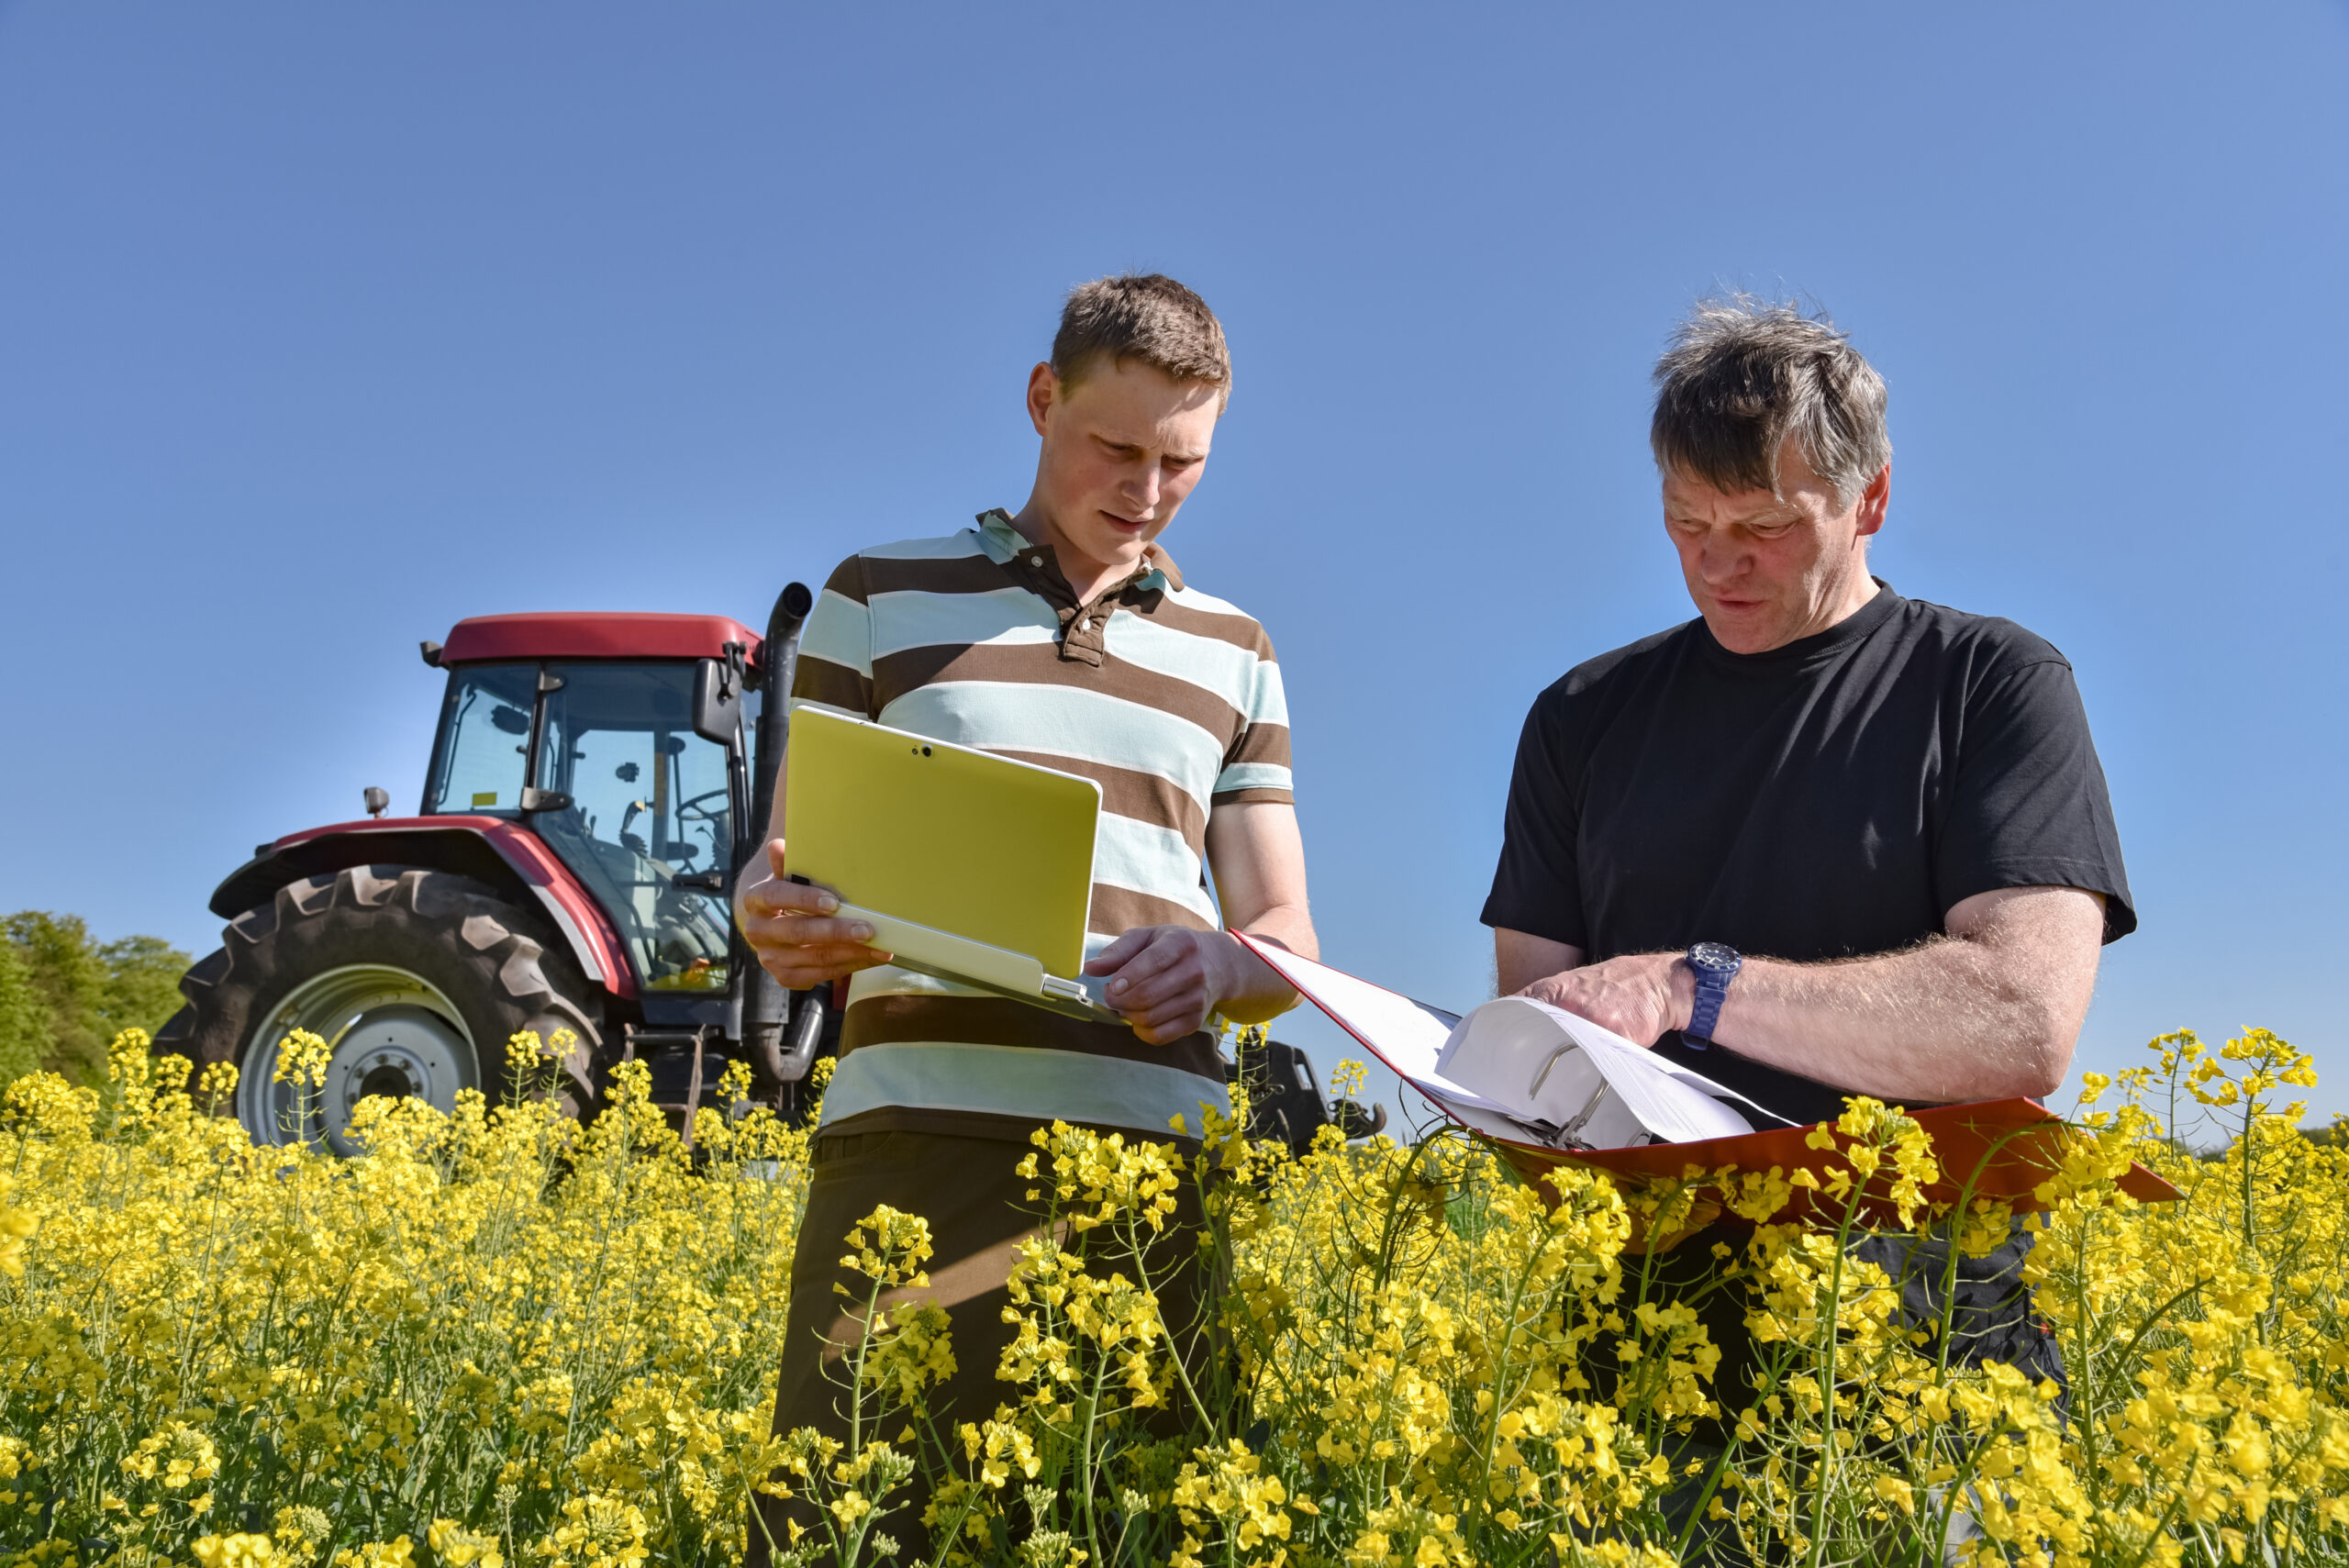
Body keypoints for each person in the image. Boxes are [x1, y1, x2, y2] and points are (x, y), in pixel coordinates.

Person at [1480, 296, 2133, 1499]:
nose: (1718, 562)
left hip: (1929, 1346)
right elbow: (1537, 1030)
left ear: (1870, 500)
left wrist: (1696, 986)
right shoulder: (1579, 717)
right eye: (1687, 522)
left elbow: (2020, 1017)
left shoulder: (1993, 685)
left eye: (1766, 526)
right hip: (1645, 1349)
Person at [734, 273, 1315, 1559]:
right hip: (908, 1146)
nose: (1148, 488)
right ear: (1043, 399)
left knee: (1124, 1525)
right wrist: (775, 915)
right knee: (849, 1526)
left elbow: (1284, 934)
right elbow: (778, 862)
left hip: (1153, 1165)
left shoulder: (1239, 648)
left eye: (1184, 461)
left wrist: (1219, 964)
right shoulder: (877, 594)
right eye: (1117, 446)